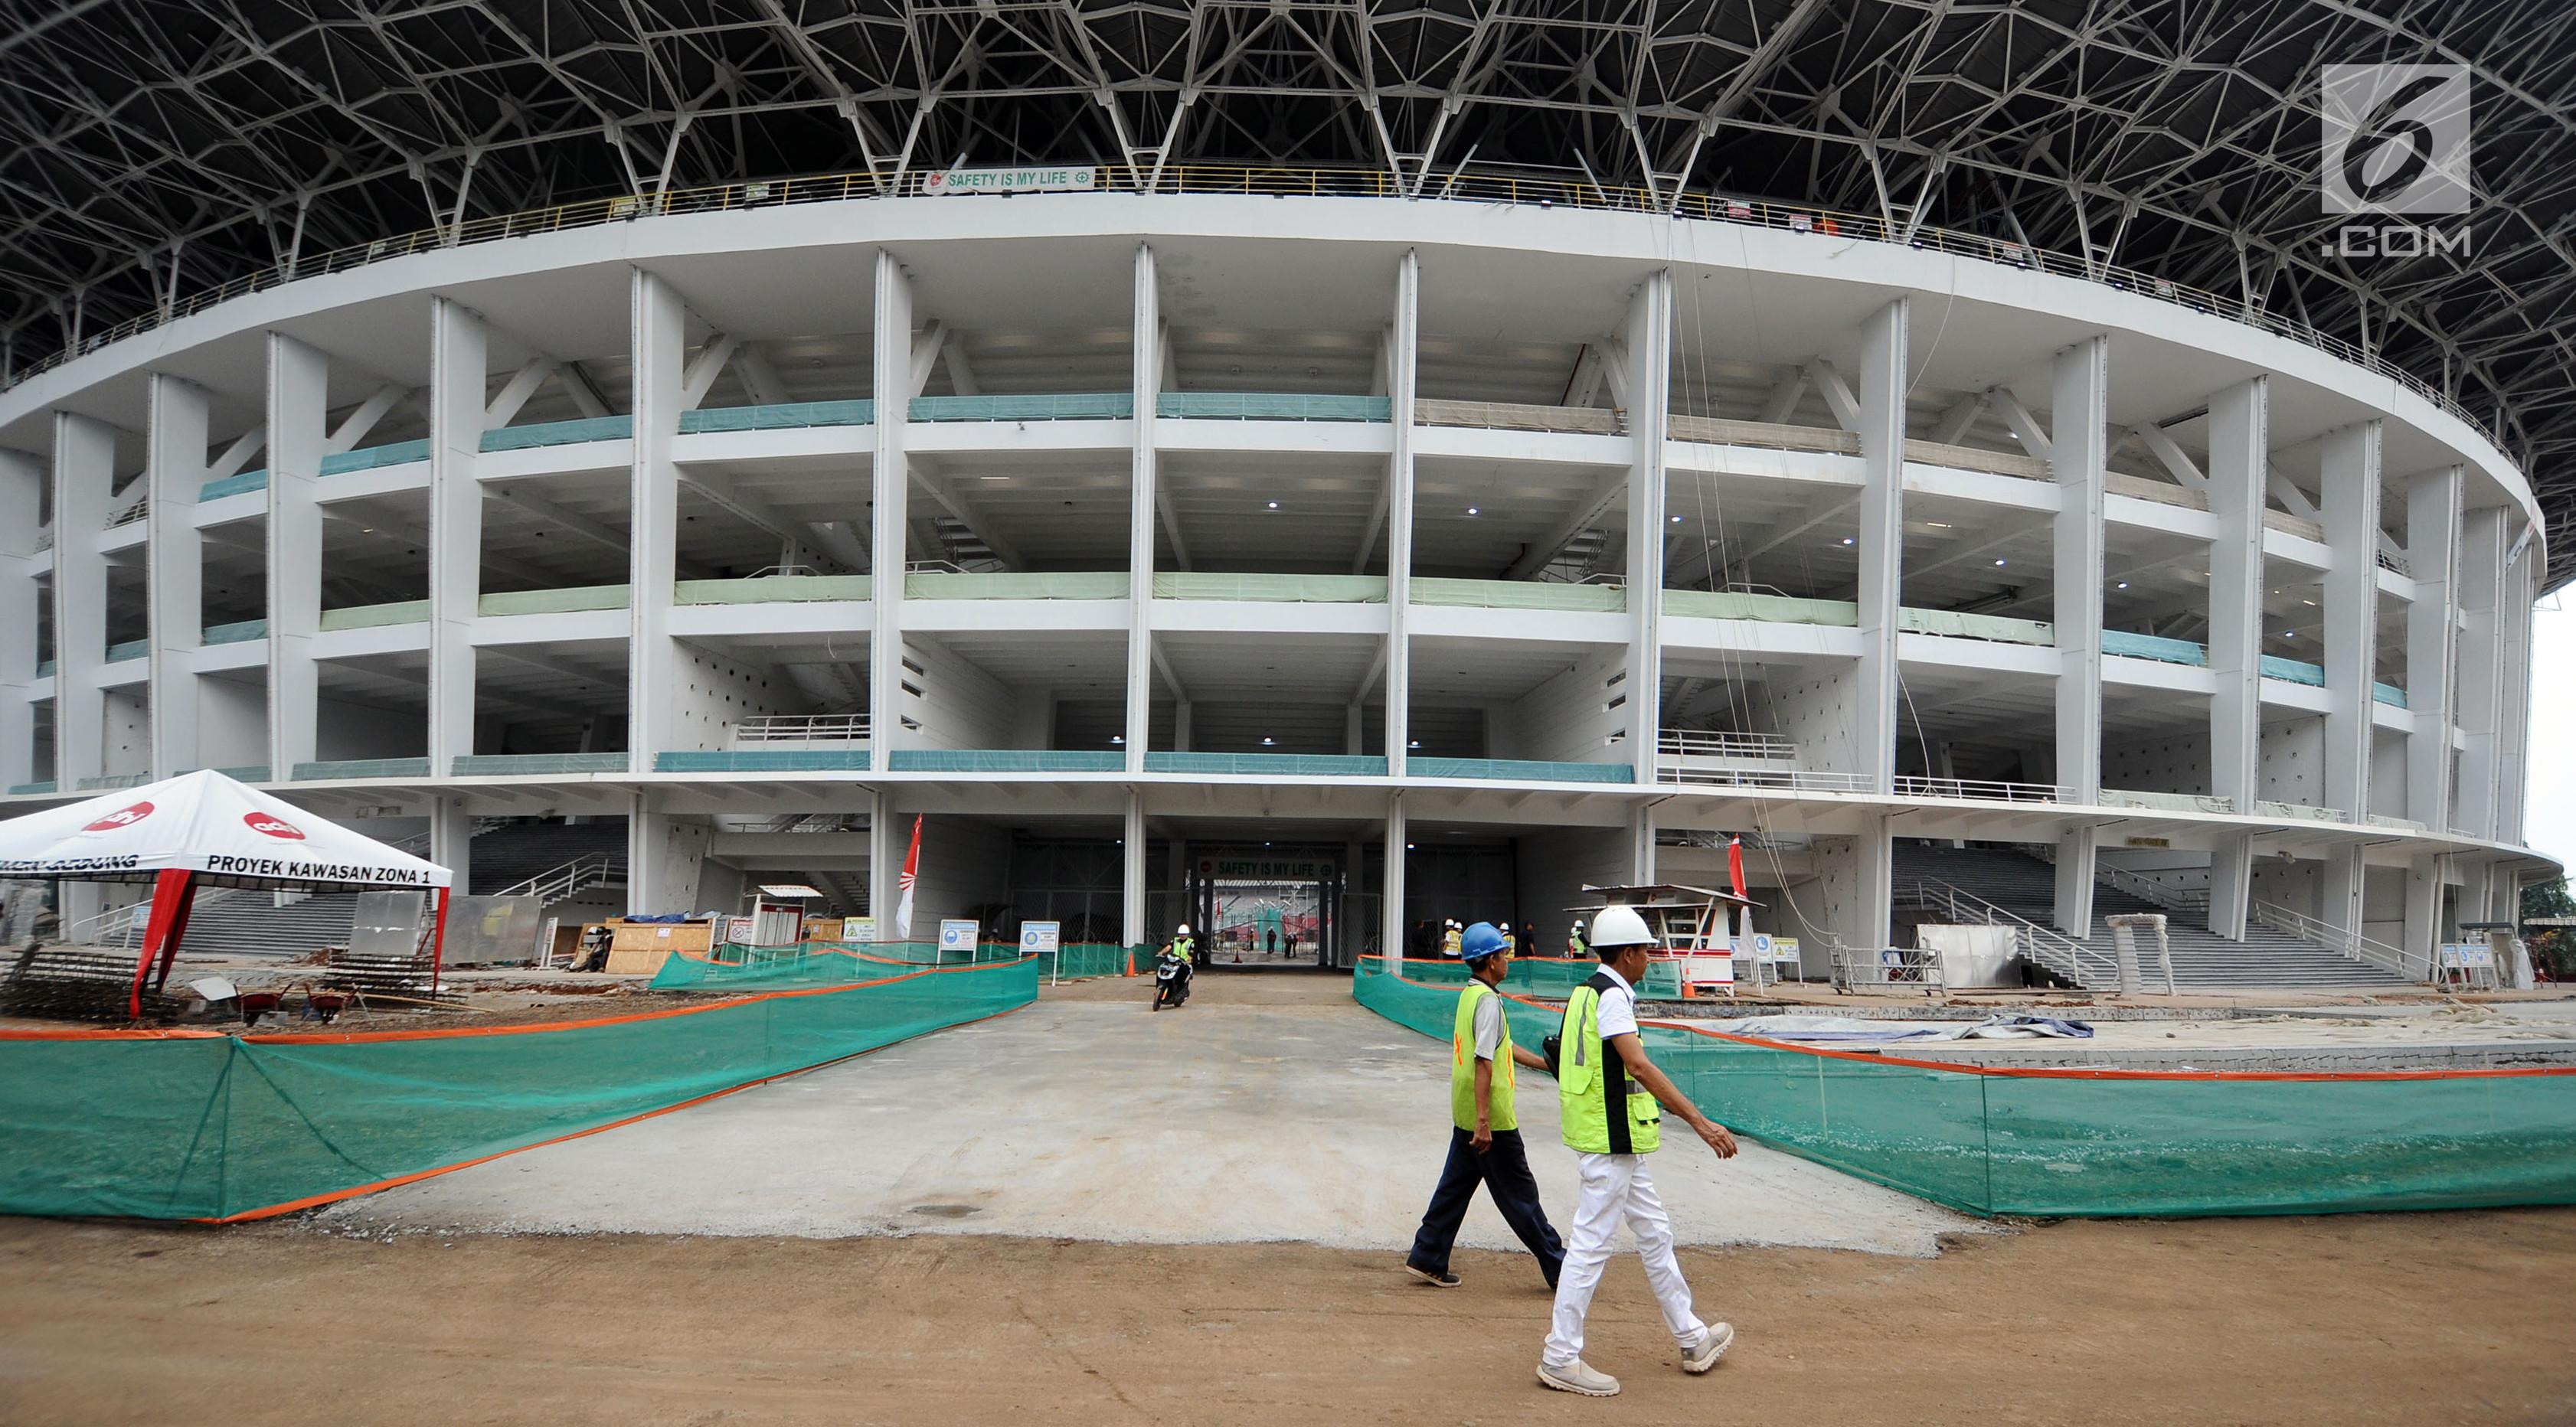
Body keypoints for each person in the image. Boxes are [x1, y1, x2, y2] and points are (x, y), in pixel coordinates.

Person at [1537, 905, 1739, 1398]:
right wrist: (1701, 1123)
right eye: (1646, 951)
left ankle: (1692, 1336)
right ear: (1627, 954)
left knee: (1654, 1233)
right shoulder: (1612, 1001)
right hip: (1612, 1141)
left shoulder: (1585, 992)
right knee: (1590, 1246)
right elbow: (1640, 1068)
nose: (1650, 959)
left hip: (1613, 1140)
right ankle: (1560, 1356)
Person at [1404, 922, 1564, 1291]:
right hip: (1490, 1117)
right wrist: (1483, 1121)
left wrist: (1548, 1066)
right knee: (1521, 1197)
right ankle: (1560, 1266)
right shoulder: (1489, 1002)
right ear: (1491, 961)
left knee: (1454, 1188)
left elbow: (1500, 1049)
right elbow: (1483, 1062)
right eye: (1503, 954)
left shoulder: (1471, 995)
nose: (1507, 960)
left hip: (1466, 1111)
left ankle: (1428, 1256)